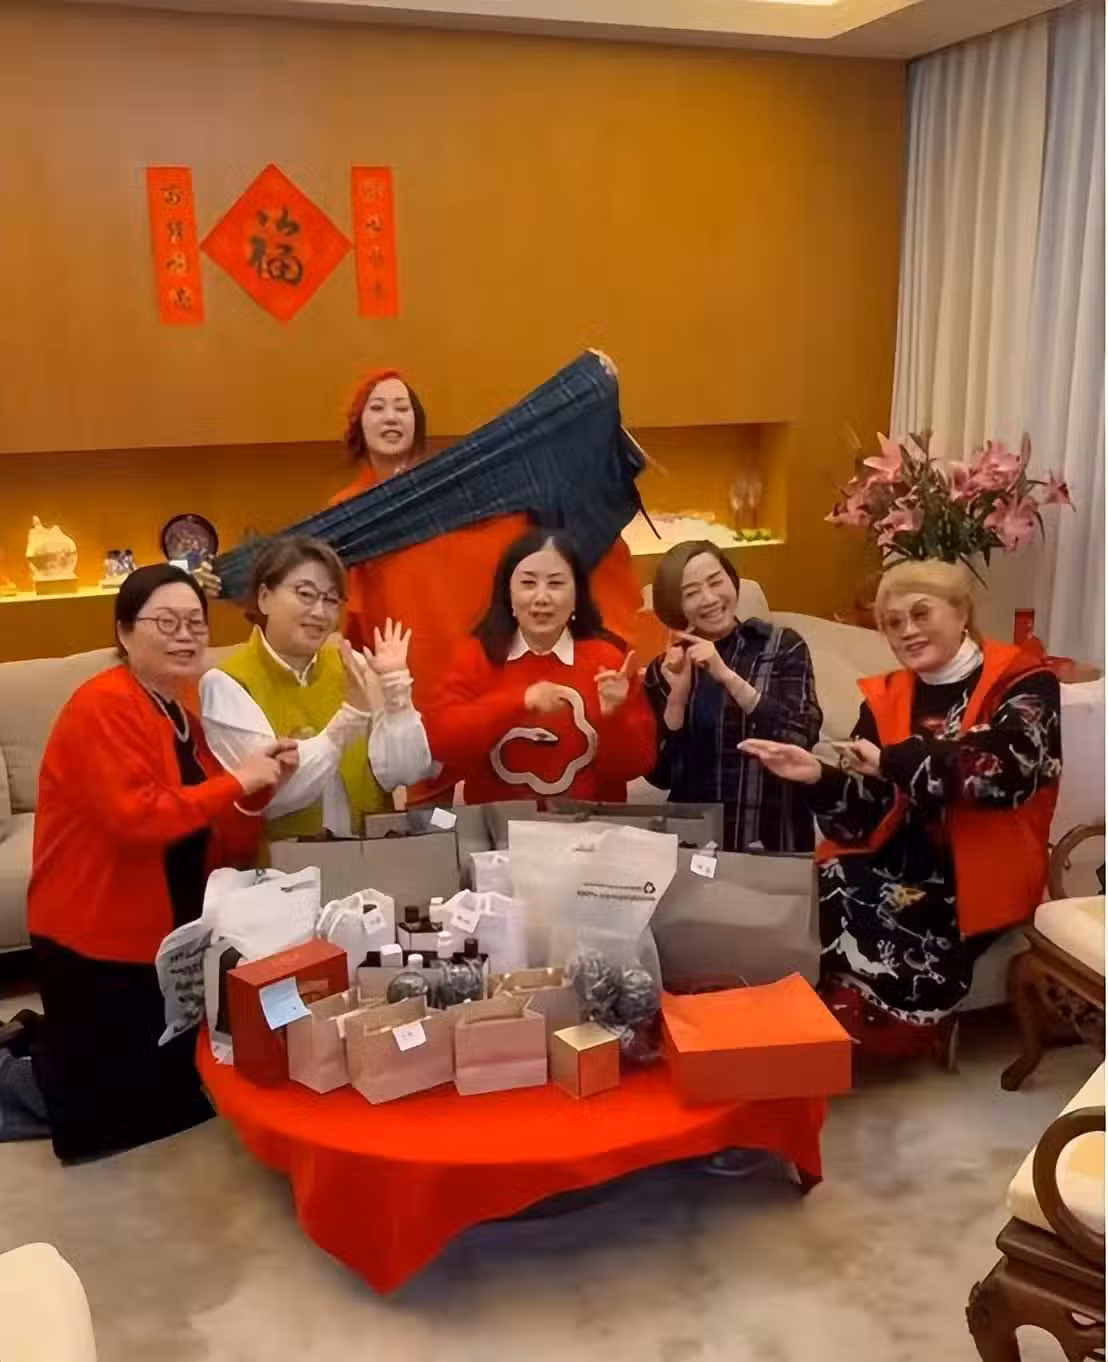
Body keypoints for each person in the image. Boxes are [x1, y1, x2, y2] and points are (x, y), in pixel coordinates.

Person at [740, 559, 1062, 1059]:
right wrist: (818, 778)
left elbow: (1000, 773)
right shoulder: (885, 699)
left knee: (872, 904)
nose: (907, 631)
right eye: (892, 622)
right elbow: (864, 818)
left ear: (960, 612)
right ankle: (800, 1035)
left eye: (920, 614)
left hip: (980, 877)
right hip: (899, 858)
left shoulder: (1023, 682)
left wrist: (892, 760)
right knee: (815, 887)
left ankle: (850, 1035)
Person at [28, 565, 295, 1161]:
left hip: (161, 924)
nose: (185, 636)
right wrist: (239, 782)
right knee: (103, 1116)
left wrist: (262, 784)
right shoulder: (102, 703)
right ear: (124, 632)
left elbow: (218, 821)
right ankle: (23, 1067)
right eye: (166, 622)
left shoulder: (182, 712)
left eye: (196, 623)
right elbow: (137, 818)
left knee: (174, 1091)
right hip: (94, 927)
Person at [329, 365, 644, 707]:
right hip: (397, 660)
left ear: (416, 421)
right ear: (358, 424)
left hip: (468, 645)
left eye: (402, 408)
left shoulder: (455, 487)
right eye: (377, 408)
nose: (391, 417)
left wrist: (590, 381)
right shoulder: (345, 511)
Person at [199, 535, 432, 839]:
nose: (320, 612)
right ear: (264, 597)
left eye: (331, 600)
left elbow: (405, 773)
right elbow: (274, 795)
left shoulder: (352, 664)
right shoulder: (226, 683)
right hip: (283, 863)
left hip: (372, 853)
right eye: (306, 594)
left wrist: (396, 693)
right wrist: (348, 719)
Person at [424, 530, 656, 803]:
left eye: (556, 584)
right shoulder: (476, 656)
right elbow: (442, 745)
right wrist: (519, 702)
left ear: (576, 596)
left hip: (590, 824)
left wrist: (614, 716)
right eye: (528, 583)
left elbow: (635, 767)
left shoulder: (608, 662)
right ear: (508, 594)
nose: (542, 597)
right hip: (498, 825)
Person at [643, 541, 822, 852]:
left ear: (732, 580)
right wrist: (677, 700)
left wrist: (727, 676)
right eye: (691, 593)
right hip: (694, 844)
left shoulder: (782, 646)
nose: (710, 599)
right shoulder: (666, 668)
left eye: (716, 582)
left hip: (773, 838)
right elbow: (662, 776)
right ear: (676, 605)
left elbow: (800, 736)